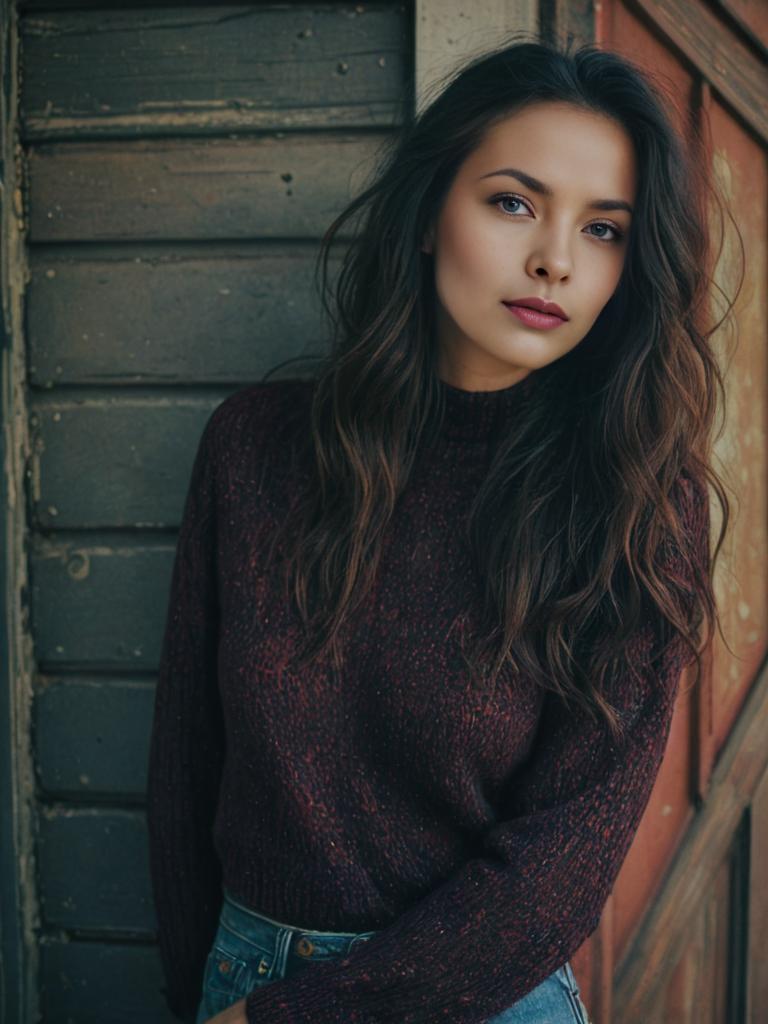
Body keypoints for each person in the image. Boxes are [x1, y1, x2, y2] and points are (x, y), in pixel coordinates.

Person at [146, 33, 733, 1024]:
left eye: (604, 230)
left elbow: (560, 866)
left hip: (483, 1001)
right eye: (514, 202)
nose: (553, 259)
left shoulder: (633, 506)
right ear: (427, 214)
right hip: (245, 977)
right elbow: (186, 766)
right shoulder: (254, 450)